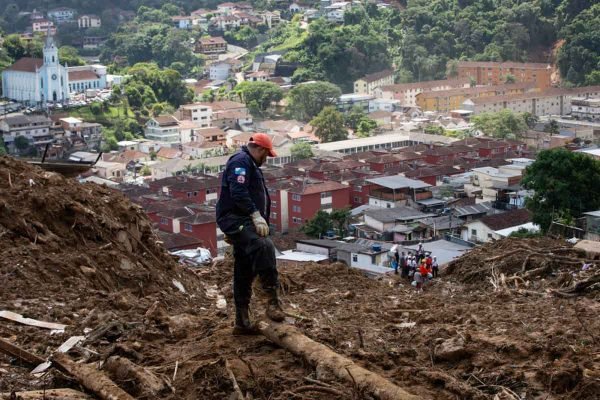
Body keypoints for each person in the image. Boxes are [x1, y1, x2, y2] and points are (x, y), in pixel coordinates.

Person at [216, 133, 286, 335]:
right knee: (264, 246)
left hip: (244, 220)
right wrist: (255, 214)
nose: (266, 160)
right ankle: (271, 301)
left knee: (244, 267)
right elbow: (238, 191)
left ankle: (241, 321)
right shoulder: (241, 161)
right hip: (236, 219)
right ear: (262, 150)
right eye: (266, 155)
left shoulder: (249, 164)